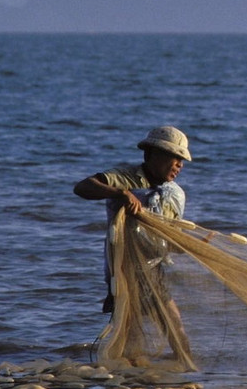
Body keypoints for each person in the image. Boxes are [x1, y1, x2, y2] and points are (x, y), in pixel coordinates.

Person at [74, 125, 191, 314]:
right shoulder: (125, 178)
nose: (180, 165)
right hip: (124, 271)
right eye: (175, 158)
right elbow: (83, 187)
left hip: (154, 270)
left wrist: (193, 244)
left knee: (175, 329)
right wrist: (122, 194)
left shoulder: (175, 194)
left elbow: (170, 239)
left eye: (182, 160)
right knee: (133, 331)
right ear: (153, 155)